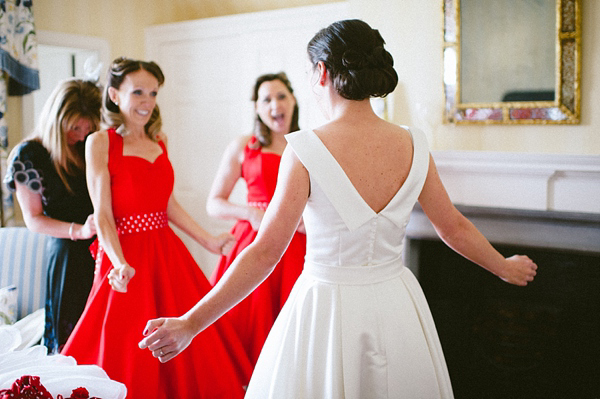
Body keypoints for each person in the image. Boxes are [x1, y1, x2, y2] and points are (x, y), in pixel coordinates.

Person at [139, 20, 538, 398]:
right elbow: (452, 226)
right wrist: (502, 265)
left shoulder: (304, 149)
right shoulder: (415, 144)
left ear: (322, 72)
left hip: (325, 309)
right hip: (396, 303)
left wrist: (191, 322)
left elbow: (265, 253)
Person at [61, 57, 252, 398]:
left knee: (187, 340)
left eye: (153, 93)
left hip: (166, 252)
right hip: (125, 258)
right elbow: (103, 214)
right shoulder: (101, 143)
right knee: (128, 345)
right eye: (138, 92)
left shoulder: (160, 140)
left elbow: (167, 204)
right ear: (115, 95)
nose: (147, 101)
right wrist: (118, 263)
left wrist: (208, 241)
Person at [206, 72, 306, 366]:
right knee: (245, 329)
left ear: (293, 100)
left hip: (298, 244)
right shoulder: (244, 146)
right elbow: (214, 203)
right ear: (258, 109)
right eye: (266, 99)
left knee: (293, 327)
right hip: (255, 240)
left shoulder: (308, 145)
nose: (275, 104)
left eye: (281, 96)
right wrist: (251, 213)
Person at [3, 78, 101, 354]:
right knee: (70, 340)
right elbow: (33, 219)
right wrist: (79, 230)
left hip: (103, 247)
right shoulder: (30, 156)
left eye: (88, 127)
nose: (82, 135)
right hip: (68, 252)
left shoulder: (90, 145)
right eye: (74, 128)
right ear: (56, 121)